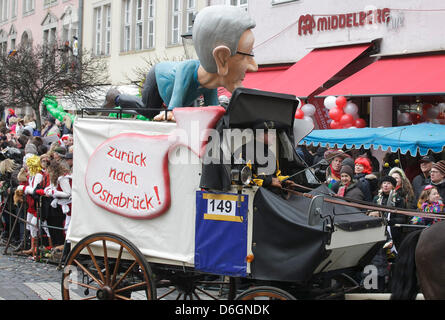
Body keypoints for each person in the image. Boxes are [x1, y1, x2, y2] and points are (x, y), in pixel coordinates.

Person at [101, 5, 258, 121]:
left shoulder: (211, 82)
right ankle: (115, 97)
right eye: (247, 54)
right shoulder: (188, 69)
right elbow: (174, 109)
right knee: (149, 110)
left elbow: (213, 110)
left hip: (173, 92)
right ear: (222, 58)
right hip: (158, 75)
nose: (254, 66)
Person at [371, 176, 408, 252]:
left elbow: (402, 218)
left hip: (393, 231)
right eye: (384, 183)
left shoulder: (399, 200)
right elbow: (371, 213)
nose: (386, 185)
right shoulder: (376, 198)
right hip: (379, 230)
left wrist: (389, 221)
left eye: (388, 183)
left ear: (393, 186)